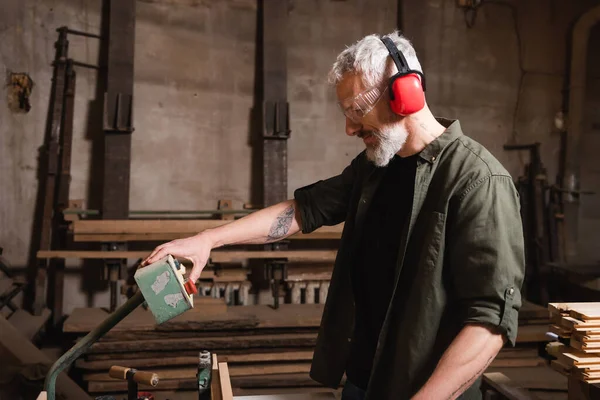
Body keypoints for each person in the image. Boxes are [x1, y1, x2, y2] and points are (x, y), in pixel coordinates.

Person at [142, 31, 525, 399]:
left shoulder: (478, 181)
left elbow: (489, 322)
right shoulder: (376, 167)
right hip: (361, 382)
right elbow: (303, 209)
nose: (349, 128)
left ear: (404, 94)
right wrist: (209, 239)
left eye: (357, 111)